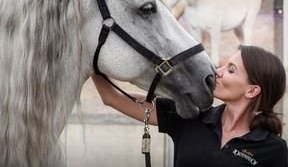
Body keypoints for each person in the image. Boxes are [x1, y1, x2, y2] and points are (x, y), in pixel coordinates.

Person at [92, 45, 288, 167]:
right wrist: (90, 55)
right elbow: (113, 97)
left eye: (231, 69)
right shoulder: (189, 116)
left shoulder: (274, 149)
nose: (217, 72)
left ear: (252, 91)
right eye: (223, 65)